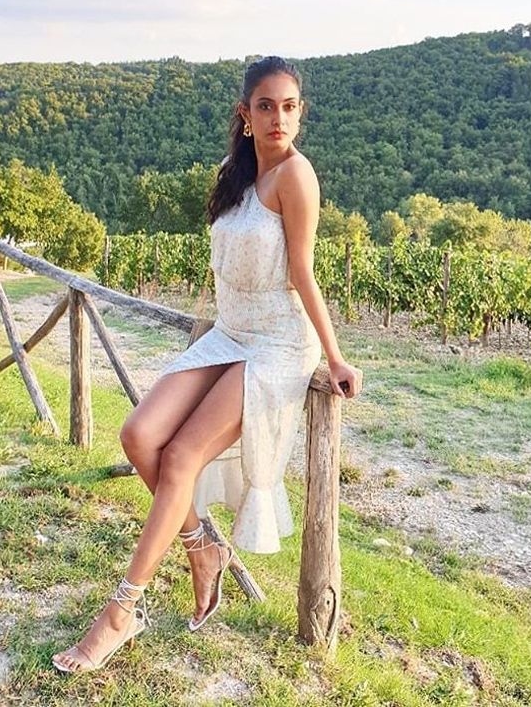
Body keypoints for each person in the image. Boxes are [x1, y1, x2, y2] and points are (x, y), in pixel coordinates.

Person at [52, 55, 363, 674]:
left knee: (180, 457)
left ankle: (121, 612)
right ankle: (201, 547)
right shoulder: (232, 174)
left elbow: (303, 273)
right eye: (266, 106)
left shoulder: (297, 177)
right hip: (231, 332)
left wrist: (334, 357)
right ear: (245, 115)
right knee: (139, 434)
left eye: (289, 107)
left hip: (277, 342)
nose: (278, 119)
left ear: (300, 113)